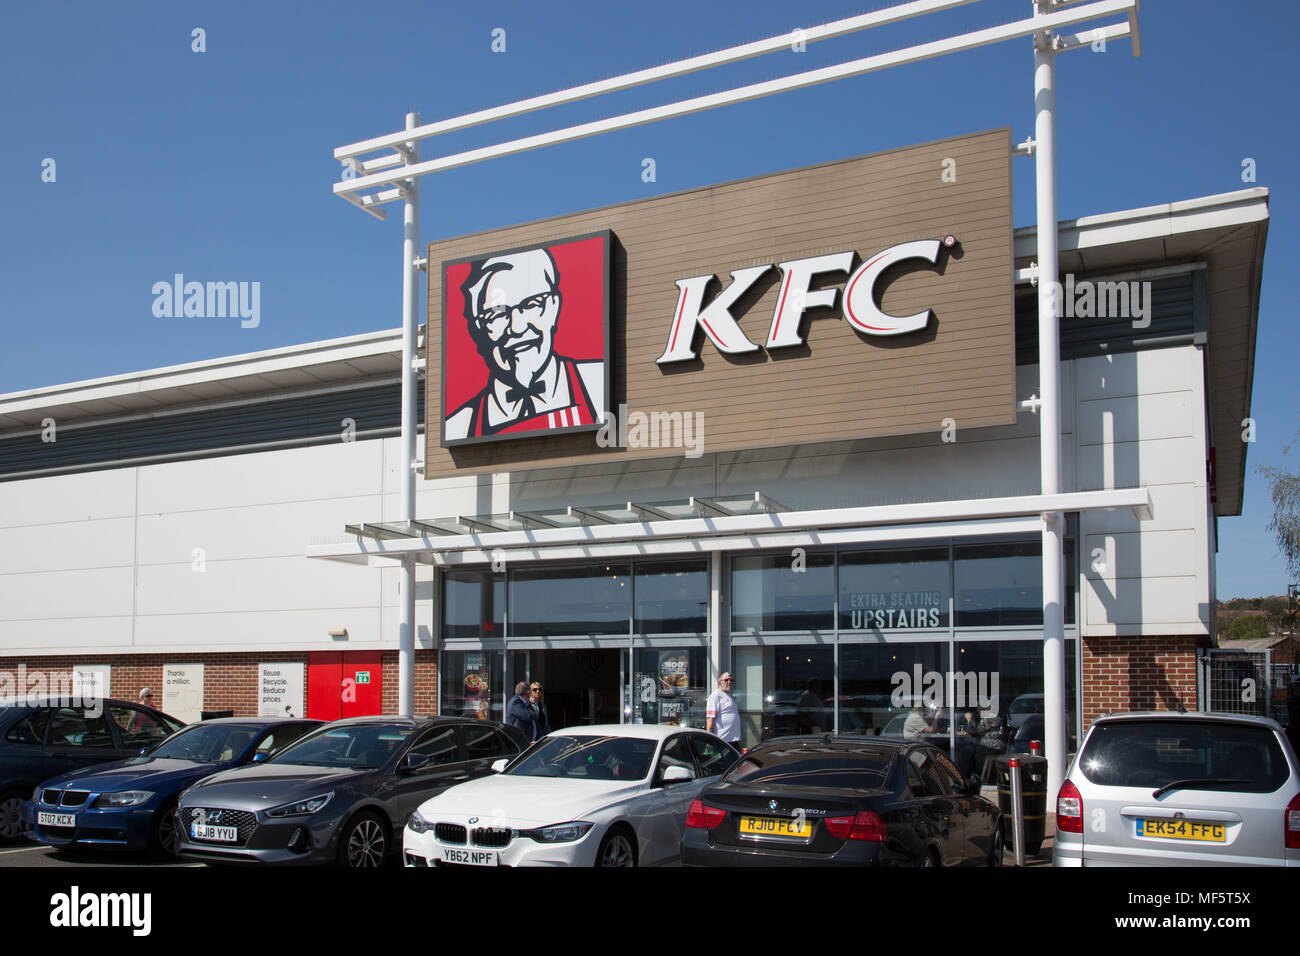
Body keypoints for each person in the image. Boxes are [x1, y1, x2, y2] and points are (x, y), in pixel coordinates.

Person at [445, 246, 605, 441]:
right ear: (478, 329)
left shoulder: (598, 385)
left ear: (554, 307)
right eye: (497, 314)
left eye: (531, 304)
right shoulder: (458, 427)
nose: (517, 327)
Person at [705, 672, 742, 751]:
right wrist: (709, 740)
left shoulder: (728, 695)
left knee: (737, 762)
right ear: (720, 682)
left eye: (731, 680)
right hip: (722, 741)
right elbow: (710, 718)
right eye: (726, 680)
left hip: (732, 740)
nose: (729, 682)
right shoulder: (715, 696)